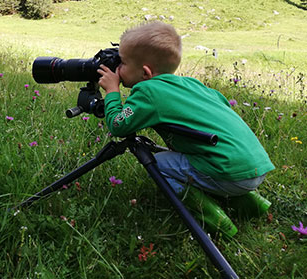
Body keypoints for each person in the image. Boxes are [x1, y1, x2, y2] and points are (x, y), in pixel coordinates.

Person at [97, 22, 275, 238]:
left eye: (122, 62)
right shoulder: (193, 84)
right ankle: (252, 205)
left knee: (158, 164)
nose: (117, 68)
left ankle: (215, 220)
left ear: (145, 72)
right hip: (255, 165)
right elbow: (223, 106)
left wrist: (112, 91)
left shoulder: (148, 91)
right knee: (185, 160)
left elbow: (118, 125)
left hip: (228, 173)